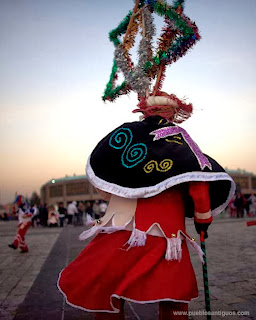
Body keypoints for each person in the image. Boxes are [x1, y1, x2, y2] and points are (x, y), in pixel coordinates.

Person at [57, 2, 236, 319]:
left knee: (108, 287)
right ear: (172, 115)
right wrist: (202, 221)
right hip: (165, 234)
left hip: (120, 228)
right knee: (173, 295)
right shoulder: (182, 142)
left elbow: (107, 175)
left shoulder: (126, 133)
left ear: (144, 112)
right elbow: (198, 182)